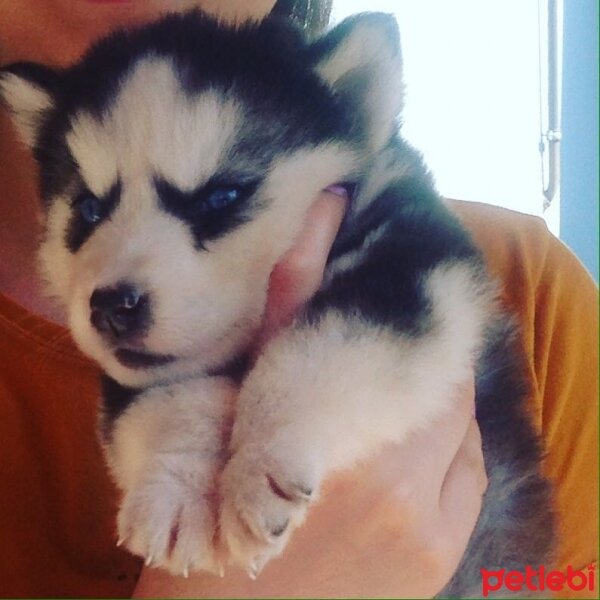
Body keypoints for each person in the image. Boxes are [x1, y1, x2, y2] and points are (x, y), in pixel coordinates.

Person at [0, 1, 596, 598]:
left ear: (357, 107)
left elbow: (429, 308)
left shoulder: (531, 290)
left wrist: (283, 419)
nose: (120, 272)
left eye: (219, 198)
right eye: (91, 210)